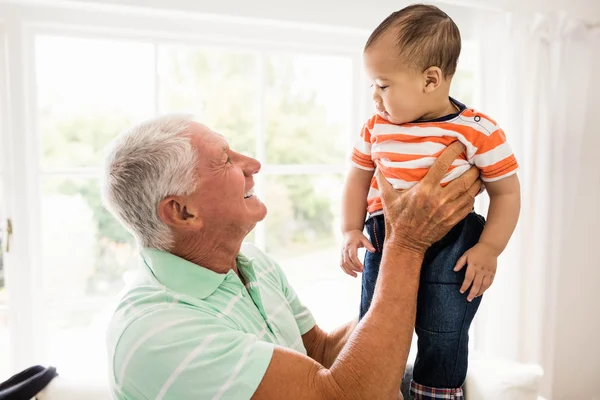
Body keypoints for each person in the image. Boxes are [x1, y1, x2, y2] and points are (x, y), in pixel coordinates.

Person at [102, 114, 481, 399]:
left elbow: (321, 351)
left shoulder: (250, 263)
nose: (252, 163)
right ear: (183, 212)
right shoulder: (157, 335)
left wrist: (430, 269)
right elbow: (343, 397)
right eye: (225, 159)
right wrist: (408, 245)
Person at [340, 4, 521, 399]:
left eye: (383, 85)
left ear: (431, 80)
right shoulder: (376, 127)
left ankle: (436, 392)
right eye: (372, 84)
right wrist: (350, 229)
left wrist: (490, 247)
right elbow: (357, 177)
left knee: (444, 328)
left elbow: (506, 193)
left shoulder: (479, 131)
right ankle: (380, 389)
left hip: (455, 241)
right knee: (375, 320)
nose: (374, 96)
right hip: (383, 235)